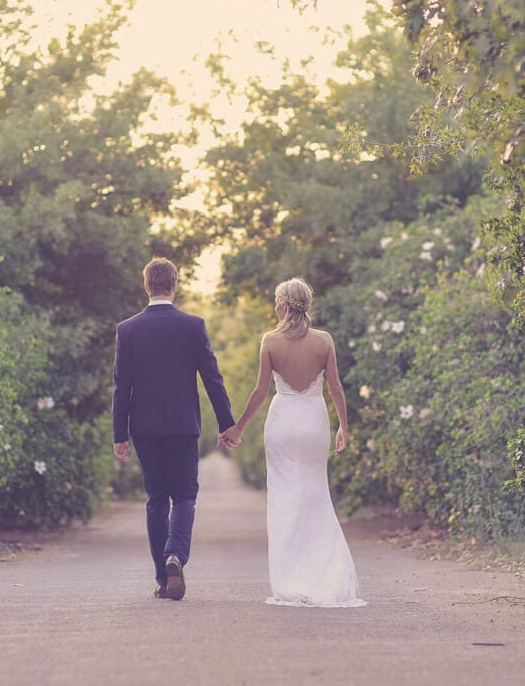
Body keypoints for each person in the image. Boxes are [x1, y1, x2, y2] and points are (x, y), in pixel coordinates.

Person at [219, 277, 366, 607]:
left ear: (284, 305)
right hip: (314, 422)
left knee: (285, 498)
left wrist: (238, 428)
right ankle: (323, 572)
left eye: (276, 301)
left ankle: (290, 578)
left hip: (283, 422)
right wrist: (344, 427)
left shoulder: (270, 341)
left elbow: (260, 392)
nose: (275, 307)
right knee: (315, 493)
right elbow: (335, 388)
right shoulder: (324, 340)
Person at [112, 257, 236, 601]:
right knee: (184, 495)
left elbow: (121, 387)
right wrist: (227, 424)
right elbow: (212, 378)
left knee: (156, 499)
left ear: (146, 285)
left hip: (145, 428)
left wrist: (119, 434)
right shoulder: (193, 326)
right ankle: (175, 556)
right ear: (175, 285)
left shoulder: (128, 329)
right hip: (183, 426)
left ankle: (163, 580)